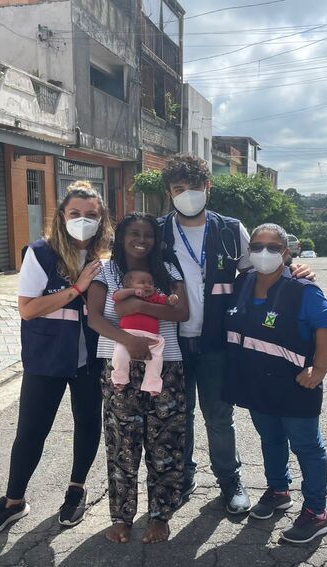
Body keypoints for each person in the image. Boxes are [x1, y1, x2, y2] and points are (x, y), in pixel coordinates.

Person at [157, 155, 314, 515]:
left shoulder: (230, 229)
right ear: (169, 193)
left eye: (194, 188)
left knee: (218, 417)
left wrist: (294, 268)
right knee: (179, 415)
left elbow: (260, 271)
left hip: (216, 341)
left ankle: (229, 480)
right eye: (179, 190)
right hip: (171, 342)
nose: (187, 196)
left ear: (207, 188)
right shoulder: (159, 230)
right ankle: (184, 476)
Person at [0, 182, 111, 538]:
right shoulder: (40, 253)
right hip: (45, 358)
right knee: (31, 431)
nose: (84, 220)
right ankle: (13, 501)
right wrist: (77, 288)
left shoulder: (105, 261)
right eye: (76, 214)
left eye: (92, 215)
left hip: (90, 361)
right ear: (62, 216)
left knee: (87, 422)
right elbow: (28, 309)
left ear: (102, 219)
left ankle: (76, 489)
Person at [225, 223, 327, 544]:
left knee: (307, 446)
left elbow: (326, 328)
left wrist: (319, 369)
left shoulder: (303, 288)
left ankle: (316, 512)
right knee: (270, 439)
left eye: (273, 247)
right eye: (257, 246)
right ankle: (278, 490)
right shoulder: (243, 282)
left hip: (296, 385)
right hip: (257, 384)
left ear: (286, 253)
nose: (264, 253)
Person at [87, 212, 190, 544]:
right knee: (122, 444)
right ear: (121, 236)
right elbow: (95, 318)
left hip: (165, 365)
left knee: (166, 442)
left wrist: (137, 308)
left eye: (148, 234)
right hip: (119, 366)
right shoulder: (107, 270)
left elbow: (181, 312)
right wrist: (127, 339)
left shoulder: (168, 270)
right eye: (134, 232)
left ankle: (160, 517)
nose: (141, 239)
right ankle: (121, 518)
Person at [110, 270, 179, 395]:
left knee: (156, 360)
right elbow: (116, 296)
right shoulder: (127, 296)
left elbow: (166, 302)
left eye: (151, 283)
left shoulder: (154, 297)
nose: (147, 286)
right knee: (119, 356)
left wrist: (171, 300)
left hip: (152, 337)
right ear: (128, 286)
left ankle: (152, 384)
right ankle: (119, 379)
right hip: (128, 335)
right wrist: (132, 292)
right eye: (142, 282)